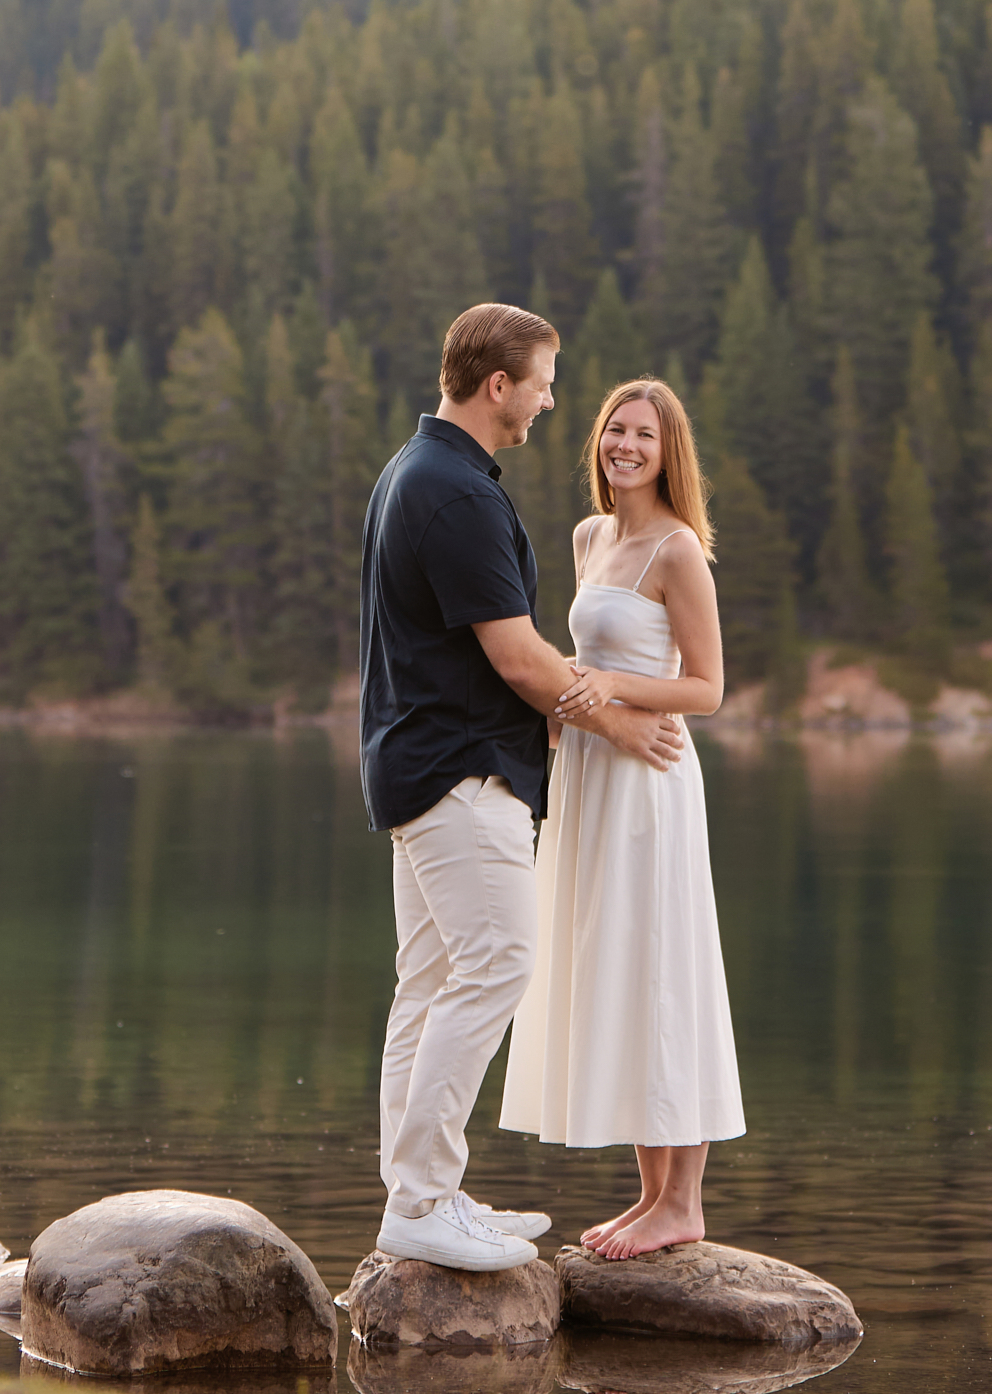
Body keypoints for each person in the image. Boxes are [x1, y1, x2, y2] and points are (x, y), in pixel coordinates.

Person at [361, 305, 686, 1273]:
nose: (551, 398)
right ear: (496, 384)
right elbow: (519, 659)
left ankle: (421, 1191)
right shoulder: (454, 493)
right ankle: (420, 1201)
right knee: (495, 966)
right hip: (463, 772)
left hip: (418, 766)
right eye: (542, 379)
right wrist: (619, 721)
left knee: (426, 985)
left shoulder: (411, 472)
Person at [499, 377, 744, 1257]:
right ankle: (650, 1198)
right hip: (593, 772)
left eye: (641, 434)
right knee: (619, 967)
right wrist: (571, 700)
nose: (623, 446)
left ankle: (684, 1203)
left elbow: (707, 688)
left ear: (665, 449)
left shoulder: (678, 550)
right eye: (612, 430)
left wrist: (608, 687)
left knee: (664, 967)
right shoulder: (590, 535)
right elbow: (588, 655)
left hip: (651, 782)